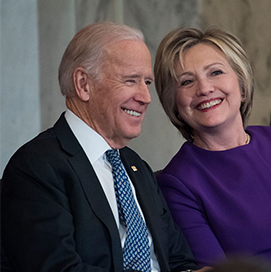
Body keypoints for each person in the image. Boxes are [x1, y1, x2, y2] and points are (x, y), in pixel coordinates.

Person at [1, 22, 200, 272]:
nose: (145, 97)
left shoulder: (137, 167)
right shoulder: (37, 167)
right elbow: (58, 268)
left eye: (147, 83)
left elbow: (179, 260)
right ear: (84, 84)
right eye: (130, 80)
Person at [154, 26, 271, 272]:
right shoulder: (177, 183)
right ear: (174, 104)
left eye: (216, 72)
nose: (204, 88)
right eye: (187, 81)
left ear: (241, 85)